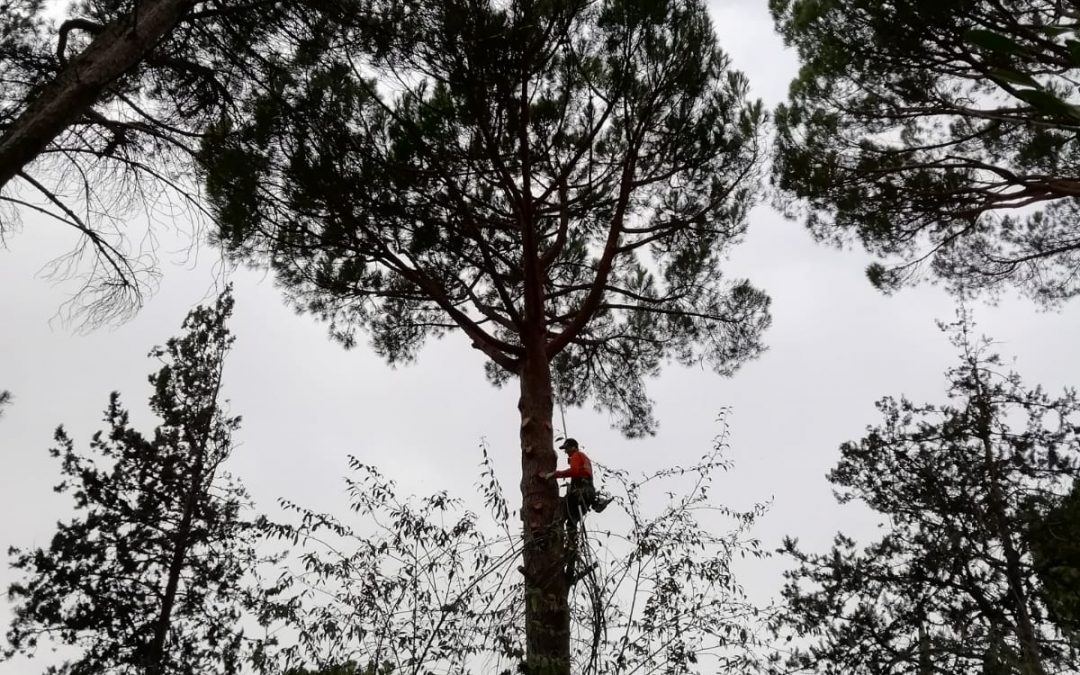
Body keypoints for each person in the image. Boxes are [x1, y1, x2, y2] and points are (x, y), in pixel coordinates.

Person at [539, 438, 597, 530]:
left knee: (562, 505)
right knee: (571, 522)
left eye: (567, 448)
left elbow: (574, 472)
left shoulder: (576, 455)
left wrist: (555, 474)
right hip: (589, 493)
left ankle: (554, 528)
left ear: (573, 447)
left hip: (580, 492)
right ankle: (572, 541)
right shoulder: (584, 457)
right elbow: (581, 472)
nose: (566, 451)